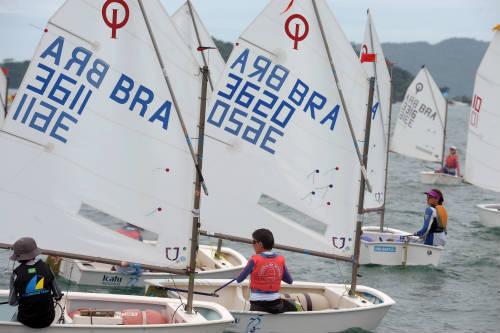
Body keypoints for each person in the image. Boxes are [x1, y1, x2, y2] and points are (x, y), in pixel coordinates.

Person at [235, 229, 296, 314]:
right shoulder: (280, 260)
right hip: (275, 305)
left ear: (260, 244)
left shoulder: (254, 260)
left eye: (253, 242)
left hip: (257, 305)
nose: (252, 245)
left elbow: (239, 280)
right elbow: (289, 281)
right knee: (293, 307)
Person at [8, 237, 62, 328]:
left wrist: (26, 296)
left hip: (26, 320)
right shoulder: (47, 267)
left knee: (14, 318)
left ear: (18, 257)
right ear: (35, 253)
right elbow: (57, 295)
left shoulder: (16, 274)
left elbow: (12, 302)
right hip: (48, 319)